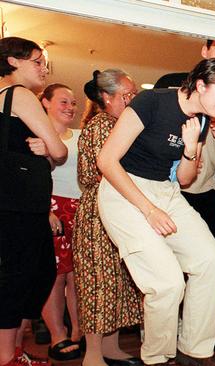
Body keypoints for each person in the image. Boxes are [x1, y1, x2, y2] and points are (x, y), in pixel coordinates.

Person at [96, 59, 215, 366]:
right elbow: (106, 161)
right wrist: (148, 210)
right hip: (124, 191)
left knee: (211, 260)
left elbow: (185, 179)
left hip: (167, 191)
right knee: (168, 283)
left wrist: (189, 148)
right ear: (200, 85)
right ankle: (158, 358)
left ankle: (195, 350)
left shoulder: (200, 123)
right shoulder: (152, 102)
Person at [155, 40, 215, 354]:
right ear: (205, 54)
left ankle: (200, 335)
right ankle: (167, 336)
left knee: (209, 263)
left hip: (207, 193)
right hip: (171, 192)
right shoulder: (171, 89)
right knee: (169, 268)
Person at [0, 36, 68, 366]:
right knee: (21, 275)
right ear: (13, 61)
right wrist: (47, 144)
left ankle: (12, 351)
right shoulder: (20, 94)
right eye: (37, 61)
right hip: (21, 203)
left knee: (35, 273)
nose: (43, 68)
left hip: (18, 202)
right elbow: (59, 150)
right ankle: (6, 356)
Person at [74, 69, 144, 366]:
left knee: (117, 281)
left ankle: (111, 347)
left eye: (133, 94)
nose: (131, 100)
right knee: (98, 283)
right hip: (98, 213)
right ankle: (92, 355)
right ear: (106, 97)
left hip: (116, 209)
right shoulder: (102, 126)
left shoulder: (118, 124)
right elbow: (108, 173)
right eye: (126, 95)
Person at [38, 84, 83, 362]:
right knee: (54, 276)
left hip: (80, 208)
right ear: (45, 102)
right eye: (63, 101)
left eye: (74, 103)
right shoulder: (35, 136)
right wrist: (45, 210)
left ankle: (79, 331)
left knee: (78, 277)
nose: (70, 107)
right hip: (51, 206)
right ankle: (58, 334)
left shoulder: (80, 136)